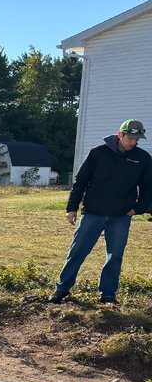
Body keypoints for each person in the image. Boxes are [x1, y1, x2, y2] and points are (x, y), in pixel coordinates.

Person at [49, 119, 152, 305]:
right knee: (78, 251)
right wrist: (71, 208)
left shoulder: (143, 158)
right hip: (93, 214)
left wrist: (137, 209)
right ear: (120, 135)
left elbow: (147, 187)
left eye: (137, 139)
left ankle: (108, 294)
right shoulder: (98, 154)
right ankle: (62, 289)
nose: (134, 142)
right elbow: (80, 182)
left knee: (115, 256)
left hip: (121, 217)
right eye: (130, 138)